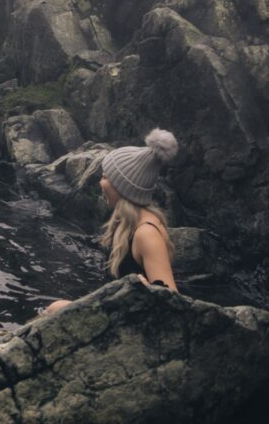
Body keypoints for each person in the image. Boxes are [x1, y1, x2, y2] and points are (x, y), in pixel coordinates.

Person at [44, 128, 179, 314]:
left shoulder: (146, 233)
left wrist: (145, 290)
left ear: (123, 187)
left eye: (105, 177)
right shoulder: (127, 221)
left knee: (55, 308)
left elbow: (172, 301)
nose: (101, 183)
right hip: (121, 310)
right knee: (54, 309)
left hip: (130, 319)